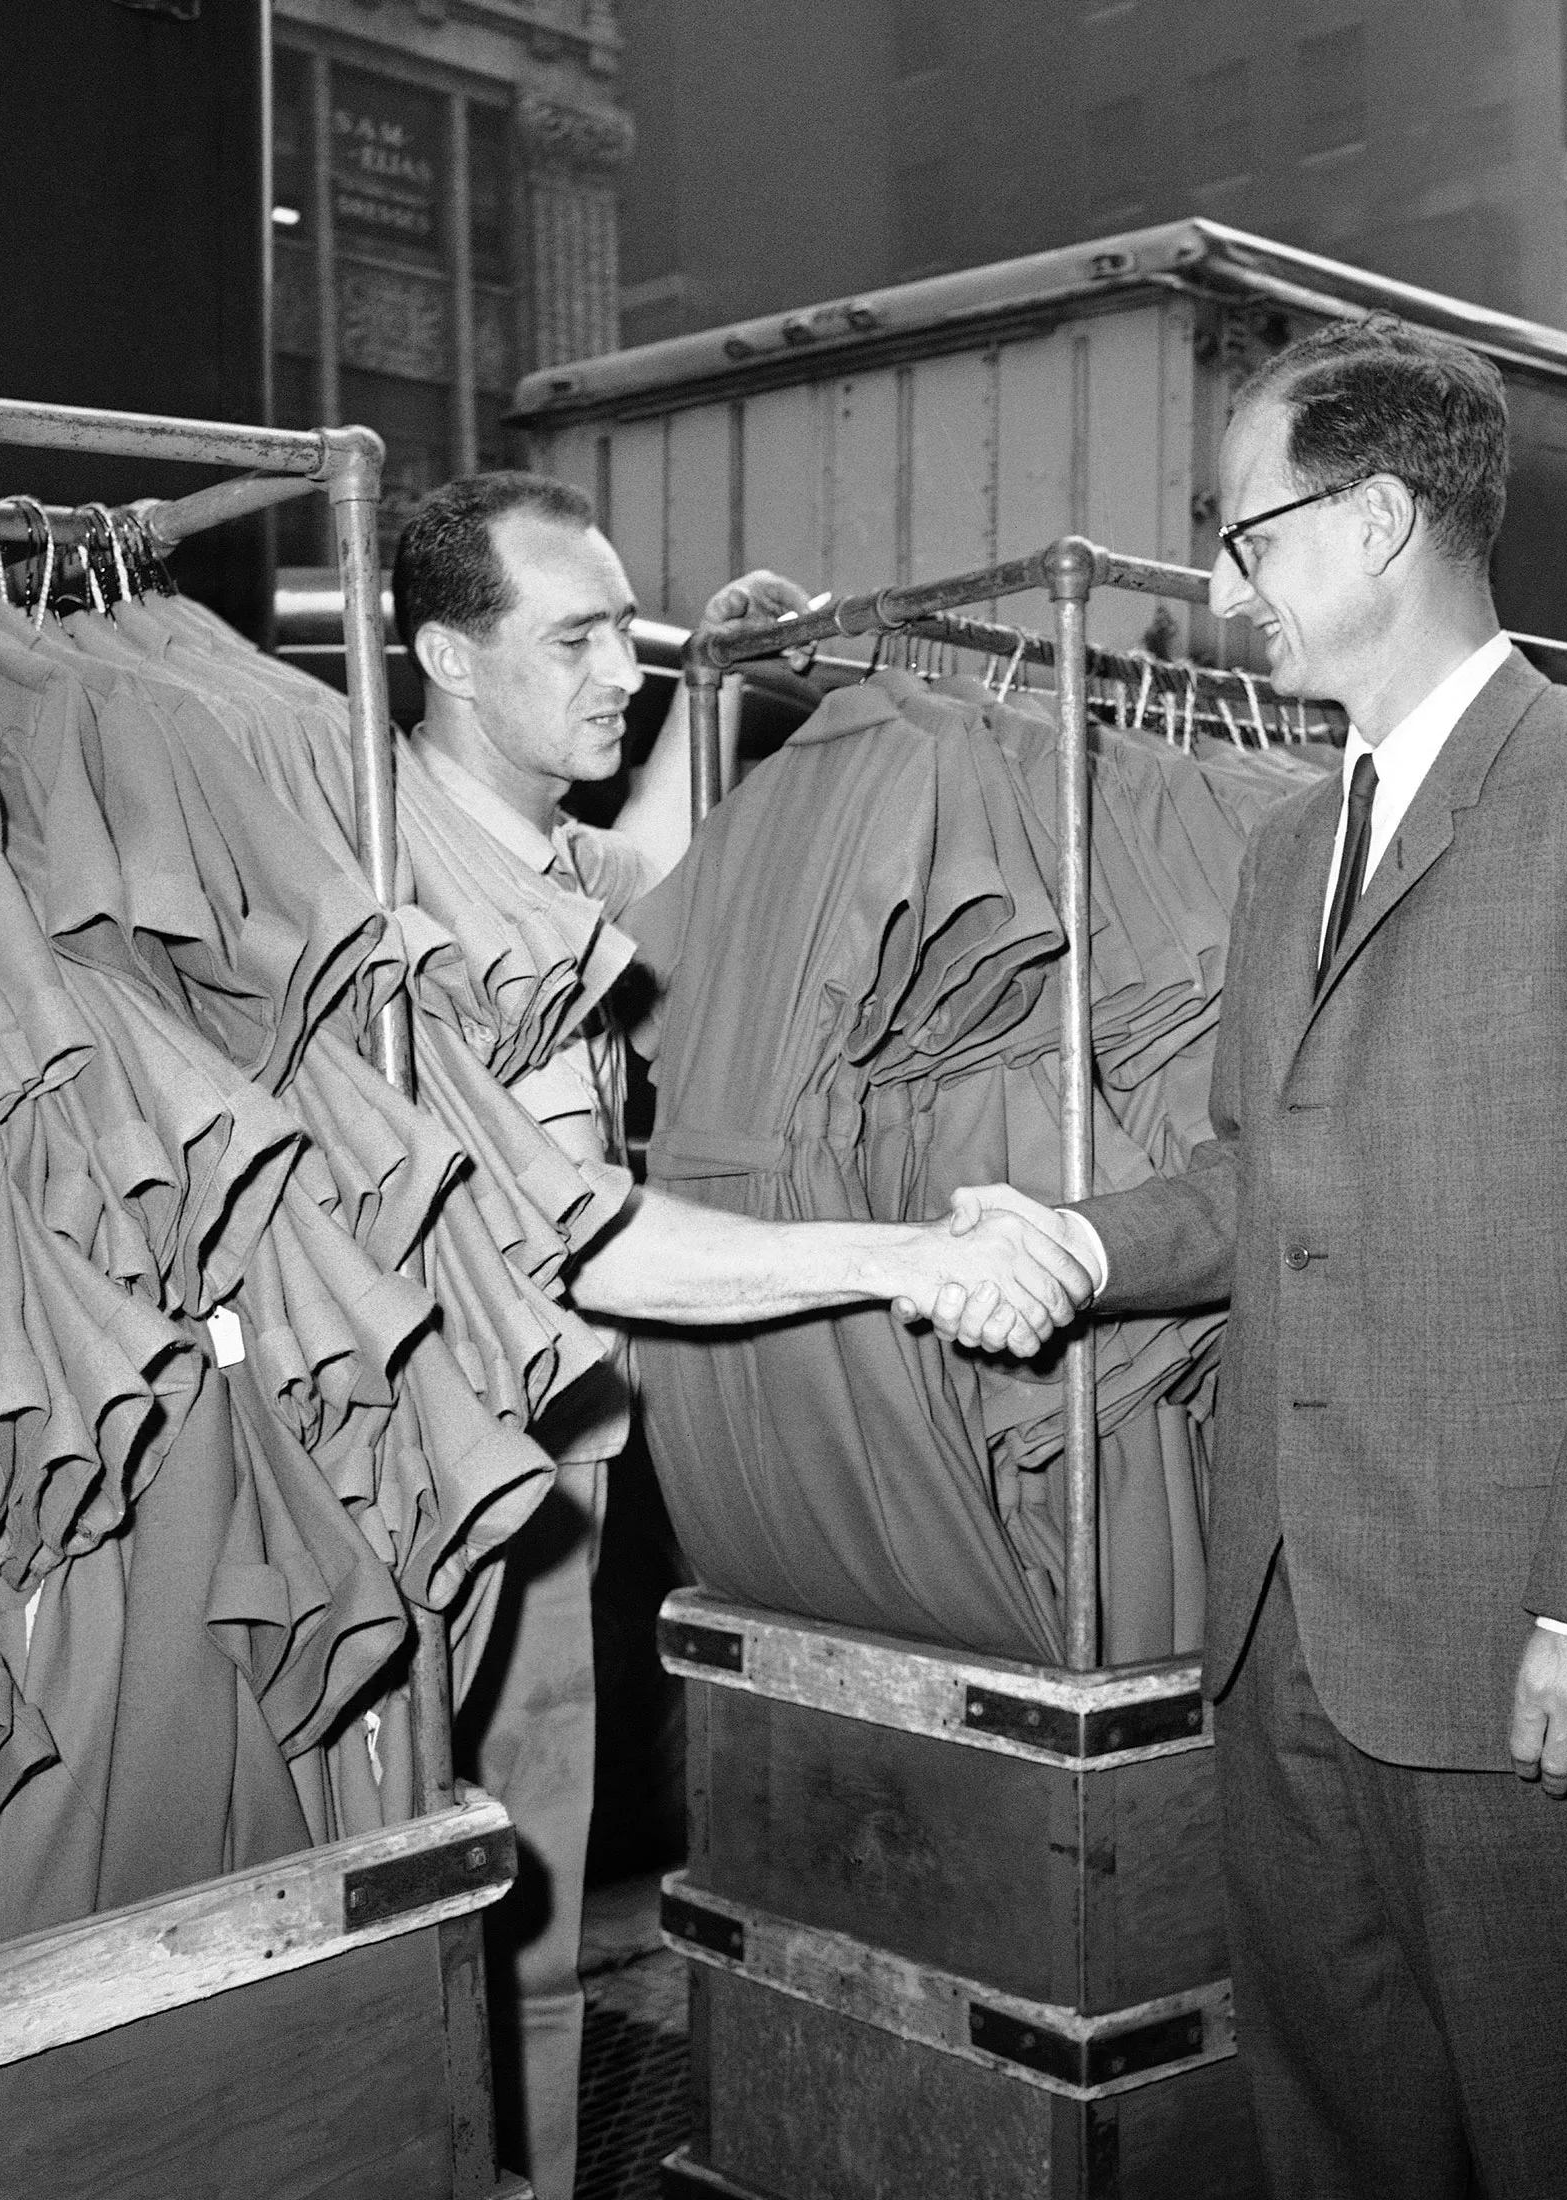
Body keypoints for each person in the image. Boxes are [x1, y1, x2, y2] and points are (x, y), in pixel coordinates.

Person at [953, 317, 1567, 2197]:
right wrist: (1078, 1240)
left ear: (1380, 519)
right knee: (1344, 2144)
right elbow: (1261, 1178)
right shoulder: (1291, 853)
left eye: (1246, 533)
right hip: (1293, 1641)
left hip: (1527, 1650)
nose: (1222, 586)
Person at [388, 471, 1092, 2200]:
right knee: (432, 1906)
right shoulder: (397, 883)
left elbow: (668, 877)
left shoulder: (547, 856)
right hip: (432, 1482)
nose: (616, 673)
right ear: (449, 659)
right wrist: (904, 1256)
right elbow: (593, 1236)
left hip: (553, 1452)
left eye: (623, 637)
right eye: (574, 642)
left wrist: (725, 673)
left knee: (536, 1875)